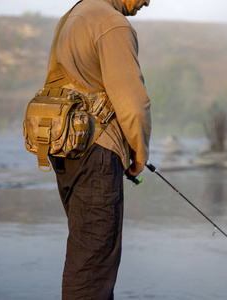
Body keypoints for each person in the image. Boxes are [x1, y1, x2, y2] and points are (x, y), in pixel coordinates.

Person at [46, 0, 151, 299]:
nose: (147, 2)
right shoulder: (112, 23)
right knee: (93, 263)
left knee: (84, 252)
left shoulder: (74, 15)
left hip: (65, 149)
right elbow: (134, 103)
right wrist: (139, 154)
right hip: (96, 152)